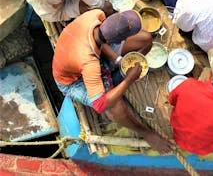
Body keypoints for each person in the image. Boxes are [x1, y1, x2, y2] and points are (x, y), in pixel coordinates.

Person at [52, 10, 172, 153]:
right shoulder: (89, 64)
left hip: (86, 51)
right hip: (72, 80)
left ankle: (115, 72)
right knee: (115, 108)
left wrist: (119, 60)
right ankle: (145, 133)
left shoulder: (95, 15)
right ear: (117, 41)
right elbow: (100, 104)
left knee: (146, 39)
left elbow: (101, 41)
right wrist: (129, 79)